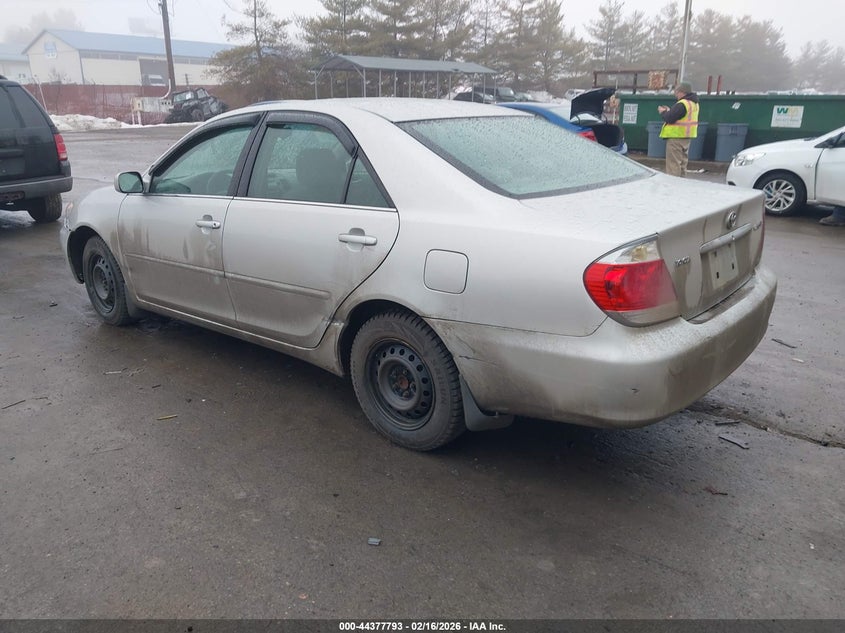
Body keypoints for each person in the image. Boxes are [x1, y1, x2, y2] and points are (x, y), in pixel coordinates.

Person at [657, 81, 700, 177]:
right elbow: (681, 116)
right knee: (682, 165)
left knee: (673, 165)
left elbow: (669, 118)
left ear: (682, 92)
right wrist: (669, 111)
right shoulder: (694, 103)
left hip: (676, 138)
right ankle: (681, 183)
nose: (675, 94)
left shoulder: (682, 104)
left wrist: (663, 112)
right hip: (686, 137)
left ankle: (673, 184)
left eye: (676, 92)